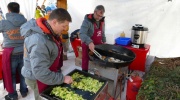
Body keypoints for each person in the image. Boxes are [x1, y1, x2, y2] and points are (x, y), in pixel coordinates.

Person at [20, 8, 73, 100]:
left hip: (45, 72)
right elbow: (40, 72)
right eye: (64, 26)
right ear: (54, 22)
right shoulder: (38, 40)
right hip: (37, 77)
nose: (65, 29)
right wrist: (62, 79)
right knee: (41, 97)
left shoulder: (48, 31)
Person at [0, 2, 28, 100]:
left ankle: (13, 95)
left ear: (8, 10)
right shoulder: (25, 21)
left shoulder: (3, 22)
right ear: (18, 10)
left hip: (11, 53)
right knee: (23, 73)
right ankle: (24, 91)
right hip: (24, 51)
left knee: (10, 74)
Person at [79, 5, 106, 72]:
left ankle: (97, 73)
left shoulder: (102, 21)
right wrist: (90, 42)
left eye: (101, 16)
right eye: (98, 15)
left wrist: (104, 41)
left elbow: (102, 32)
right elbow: (82, 33)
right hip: (88, 44)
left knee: (98, 59)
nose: (99, 18)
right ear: (94, 12)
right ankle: (84, 72)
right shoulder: (87, 21)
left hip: (98, 44)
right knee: (85, 59)